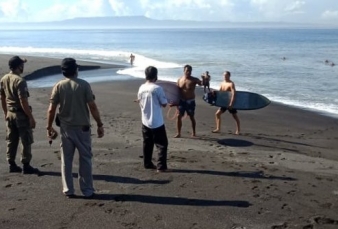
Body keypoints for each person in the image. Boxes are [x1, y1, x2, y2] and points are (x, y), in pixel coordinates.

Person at [46, 58, 104, 199]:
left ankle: (68, 189)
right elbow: (92, 106)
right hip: (82, 128)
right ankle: (87, 190)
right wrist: (99, 124)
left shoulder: (59, 85)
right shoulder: (84, 85)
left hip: (66, 129)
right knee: (85, 159)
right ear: (75, 70)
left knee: (67, 159)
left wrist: (49, 126)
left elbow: (51, 109)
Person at [0, 56, 40, 174]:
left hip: (10, 113)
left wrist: (5, 112)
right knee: (26, 140)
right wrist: (31, 117)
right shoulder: (20, 81)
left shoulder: (4, 78)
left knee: (11, 139)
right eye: (22, 65)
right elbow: (23, 101)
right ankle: (26, 165)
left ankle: (11, 163)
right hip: (20, 115)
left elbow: (2, 97)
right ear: (19, 66)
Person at [137, 66, 168, 172]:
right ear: (156, 75)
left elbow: (140, 102)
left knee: (147, 143)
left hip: (145, 120)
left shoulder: (141, 87)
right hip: (156, 121)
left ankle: (147, 163)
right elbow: (164, 104)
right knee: (162, 144)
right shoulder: (157, 88)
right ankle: (161, 166)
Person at [175, 65, 202, 138]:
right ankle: (178, 133)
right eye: (187, 71)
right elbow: (176, 91)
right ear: (184, 71)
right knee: (178, 116)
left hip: (190, 101)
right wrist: (174, 101)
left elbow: (201, 83)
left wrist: (204, 79)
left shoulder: (193, 80)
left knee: (191, 117)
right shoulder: (179, 79)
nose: (188, 72)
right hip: (181, 101)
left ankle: (193, 132)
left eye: (190, 71)